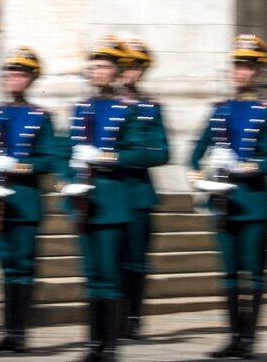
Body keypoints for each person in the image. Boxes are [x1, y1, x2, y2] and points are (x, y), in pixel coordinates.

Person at [189, 34, 267, 359]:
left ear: (257, 73)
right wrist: (197, 173)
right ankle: (233, 336)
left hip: (253, 202)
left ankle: (249, 340)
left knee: (254, 272)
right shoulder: (220, 110)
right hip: (223, 201)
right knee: (229, 272)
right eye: (238, 65)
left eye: (248, 67)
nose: (241, 72)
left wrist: (244, 167)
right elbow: (197, 150)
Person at [0, 47, 60, 353]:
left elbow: (50, 158)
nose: (13, 79)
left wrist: (21, 166)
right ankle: (7, 332)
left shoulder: (40, 117)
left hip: (25, 201)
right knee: (7, 268)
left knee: (23, 268)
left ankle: (20, 334)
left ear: (30, 79)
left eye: (20, 74)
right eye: (9, 73)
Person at [59, 36, 143, 361]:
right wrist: (67, 176)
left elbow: (138, 152)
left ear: (115, 71)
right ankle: (93, 344)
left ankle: (110, 346)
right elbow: (66, 149)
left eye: (105, 66)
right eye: (94, 66)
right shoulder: (80, 108)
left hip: (110, 202)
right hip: (83, 202)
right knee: (92, 277)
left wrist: (107, 158)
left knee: (109, 276)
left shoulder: (126, 110)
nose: (98, 71)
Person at [116, 38, 169, 340]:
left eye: (136, 67)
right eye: (125, 66)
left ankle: (133, 317)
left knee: (135, 259)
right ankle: (113, 317)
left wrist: (123, 156)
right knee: (112, 259)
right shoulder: (103, 106)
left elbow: (161, 152)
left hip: (137, 194)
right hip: (109, 192)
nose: (130, 73)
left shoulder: (150, 107)